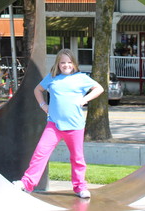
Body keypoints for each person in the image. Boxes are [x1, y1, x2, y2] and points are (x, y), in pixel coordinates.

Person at [13, 49, 104, 199]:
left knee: (77, 158)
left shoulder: (81, 78)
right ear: (58, 64)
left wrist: (84, 99)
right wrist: (43, 105)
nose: (66, 65)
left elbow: (99, 88)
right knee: (40, 153)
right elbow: (38, 90)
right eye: (62, 62)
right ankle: (27, 184)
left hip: (75, 126)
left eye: (69, 62)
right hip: (54, 125)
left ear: (74, 64)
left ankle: (80, 187)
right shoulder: (52, 78)